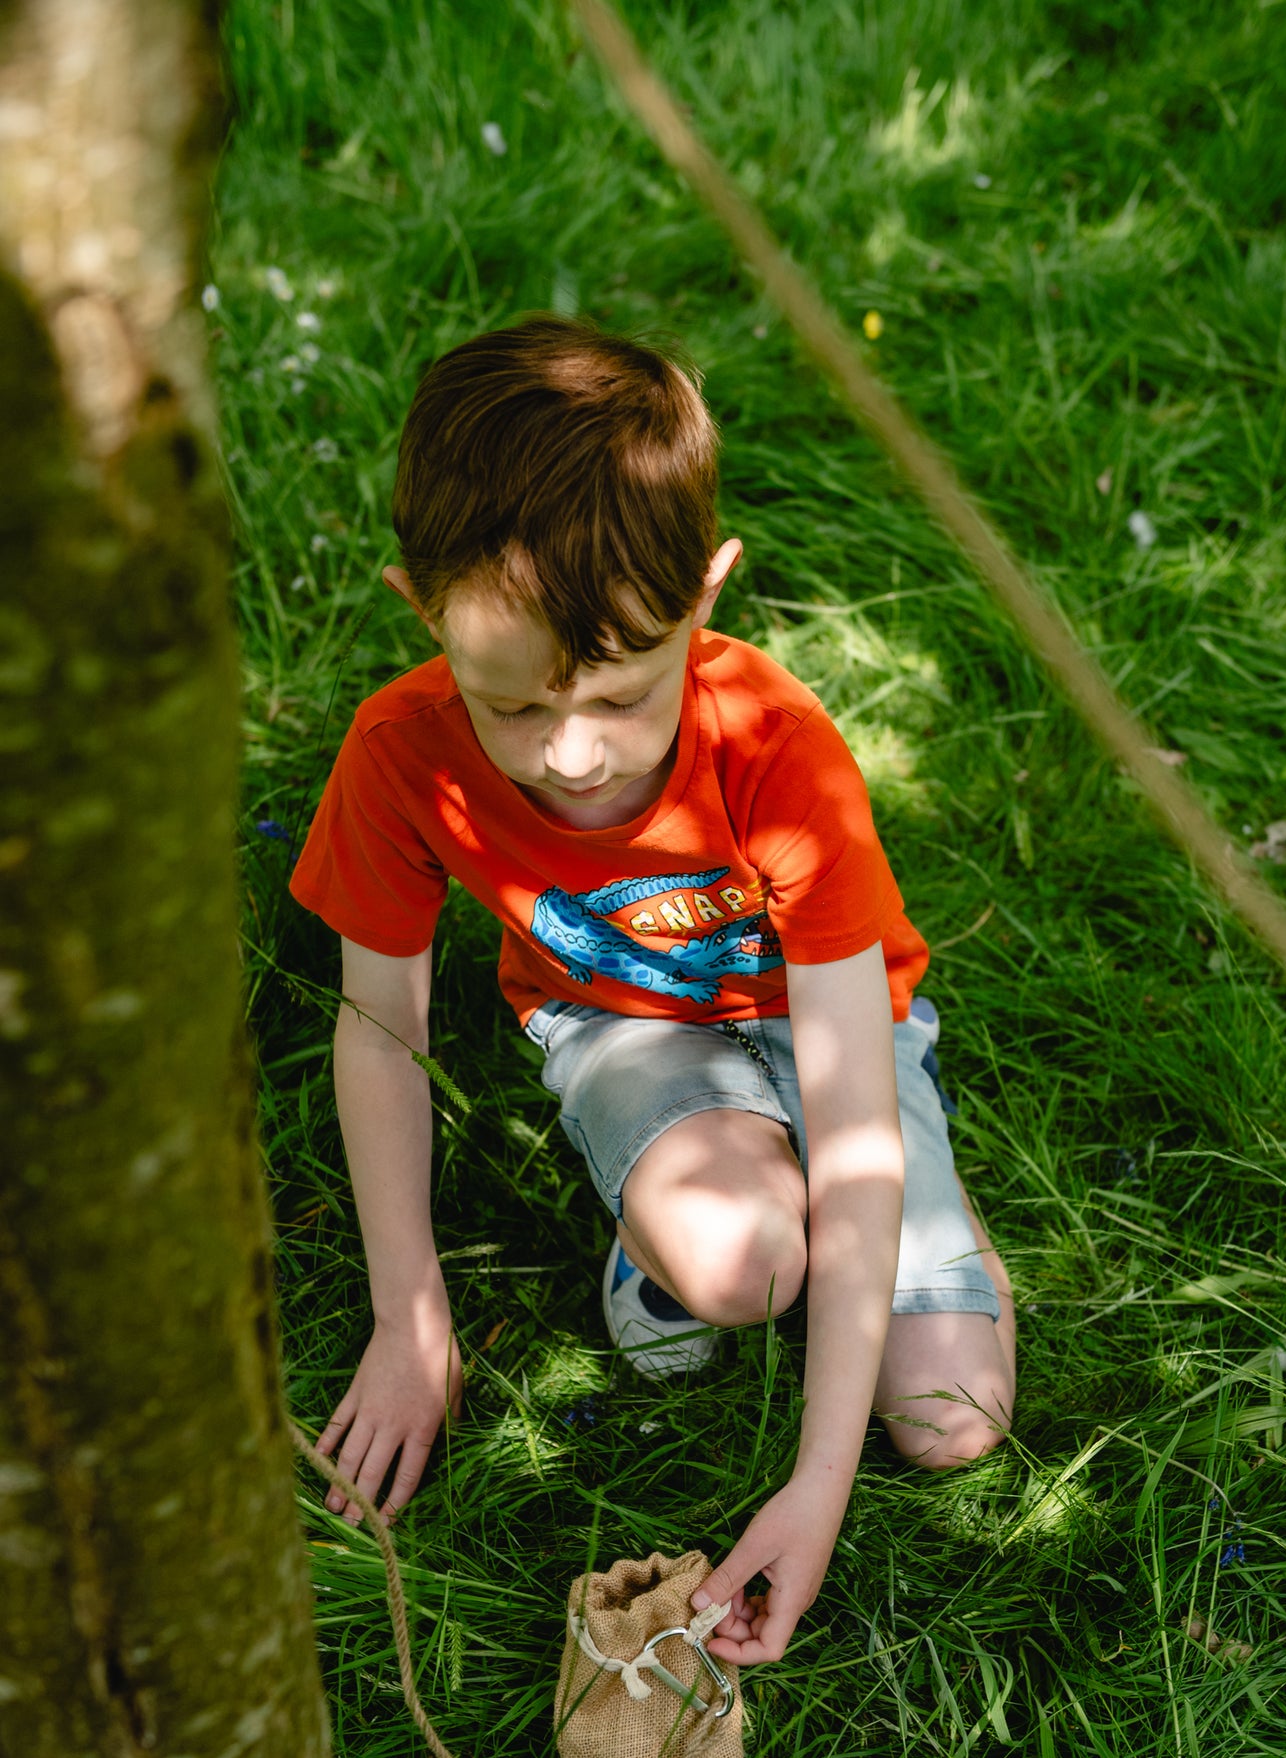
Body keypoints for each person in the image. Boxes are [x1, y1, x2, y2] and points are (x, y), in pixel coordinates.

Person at [290, 316, 1015, 1668]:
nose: (569, 758)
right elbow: (380, 1026)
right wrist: (411, 1313)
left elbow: (852, 1109)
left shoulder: (780, 752)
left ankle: (861, 1234)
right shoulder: (399, 752)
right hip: (620, 1024)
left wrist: (814, 1490)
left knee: (947, 1425)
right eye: (511, 707)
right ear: (417, 606)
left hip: (833, 1029)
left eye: (621, 696)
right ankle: (676, 1236)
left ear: (707, 593)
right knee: (742, 1266)